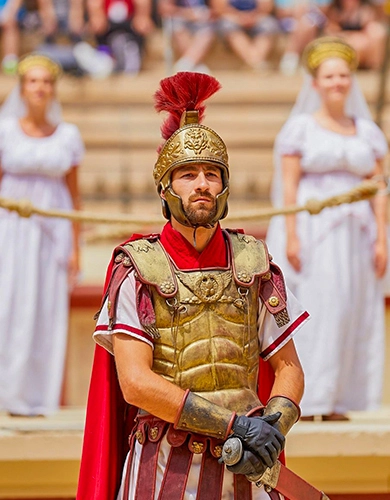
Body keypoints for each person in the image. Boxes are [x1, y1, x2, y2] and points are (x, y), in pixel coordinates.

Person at [77, 71, 309, 500]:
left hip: (249, 464)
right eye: (187, 174)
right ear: (165, 189)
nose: (202, 183)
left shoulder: (253, 262)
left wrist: (272, 428)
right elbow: (135, 383)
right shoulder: (138, 269)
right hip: (164, 463)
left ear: (224, 186)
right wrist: (235, 424)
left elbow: (288, 368)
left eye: (211, 173)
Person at [266, 37, 388, 420]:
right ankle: (311, 396)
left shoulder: (366, 132)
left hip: (356, 234)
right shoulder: (300, 128)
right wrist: (291, 235)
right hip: (315, 232)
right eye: (330, 75)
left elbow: (379, 187)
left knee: (353, 307)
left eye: (344, 75)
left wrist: (383, 237)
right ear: (315, 82)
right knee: (320, 307)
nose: (338, 82)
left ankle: (343, 399)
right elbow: (288, 186)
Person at [0, 53, 85, 416]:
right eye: (33, 81)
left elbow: (75, 193)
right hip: (12, 229)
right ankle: (7, 393)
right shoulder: (4, 130)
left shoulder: (67, 136)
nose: (40, 88)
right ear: (22, 87)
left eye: (46, 82)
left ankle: (39, 399)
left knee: (47, 308)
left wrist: (76, 247)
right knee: (9, 305)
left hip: (53, 231)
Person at [212, 0, 280, 71]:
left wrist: (252, 17)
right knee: (227, 25)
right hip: (232, 17)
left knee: (269, 24)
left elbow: (267, 6)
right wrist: (240, 17)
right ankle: (256, 63)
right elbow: (219, 8)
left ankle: (253, 62)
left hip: (256, 18)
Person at [158, 0, 217, 74]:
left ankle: (186, 64)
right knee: (177, 26)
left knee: (209, 29)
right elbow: (164, 9)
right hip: (180, 19)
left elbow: (218, 9)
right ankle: (191, 64)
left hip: (203, 22)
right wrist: (189, 14)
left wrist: (205, 14)